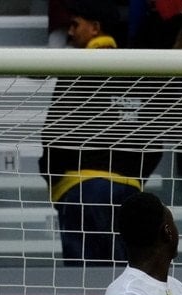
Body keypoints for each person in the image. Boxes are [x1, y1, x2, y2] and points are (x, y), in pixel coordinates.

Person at [39, 0, 163, 266]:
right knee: (124, 277)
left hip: (83, 190)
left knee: (87, 282)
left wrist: (58, 180)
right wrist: (132, 176)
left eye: (75, 24)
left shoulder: (77, 69)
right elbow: (155, 137)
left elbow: (54, 131)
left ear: (95, 27)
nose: (70, 32)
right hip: (130, 193)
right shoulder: (138, 71)